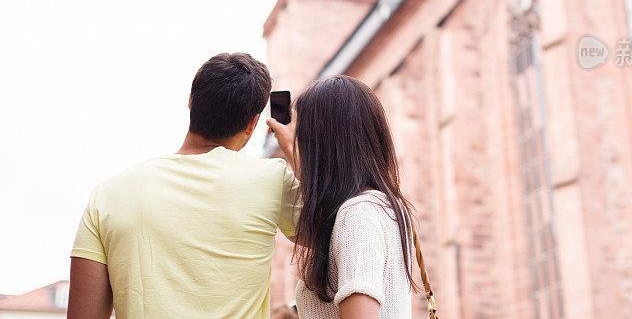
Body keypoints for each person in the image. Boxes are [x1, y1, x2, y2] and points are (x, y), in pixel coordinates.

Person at [67, 52, 301, 319]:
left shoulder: (107, 195)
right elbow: (328, 231)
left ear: (191, 102)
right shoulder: (272, 180)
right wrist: (295, 152)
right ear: (251, 124)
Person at [268, 75, 417, 319]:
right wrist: (292, 153)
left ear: (323, 146)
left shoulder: (357, 216)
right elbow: (313, 230)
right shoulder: (382, 207)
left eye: (306, 138)